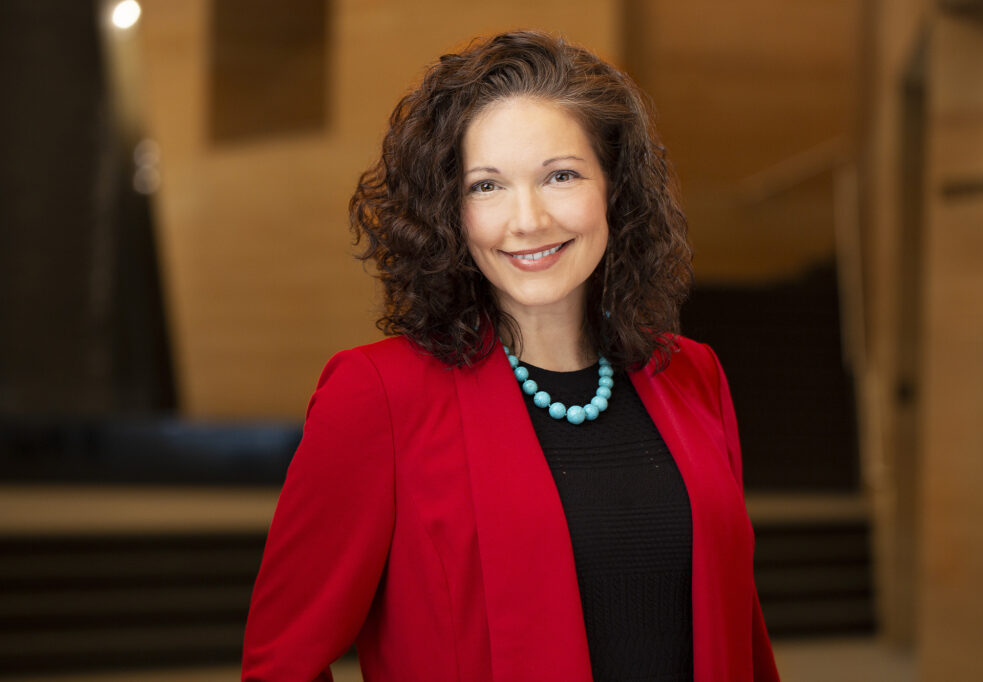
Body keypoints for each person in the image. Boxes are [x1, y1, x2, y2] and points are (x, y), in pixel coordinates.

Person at [241, 30, 779, 682]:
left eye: (560, 176)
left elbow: (742, 642)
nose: (527, 219)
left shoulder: (693, 376)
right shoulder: (376, 396)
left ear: (613, 189)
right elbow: (282, 664)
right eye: (487, 186)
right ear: (448, 210)